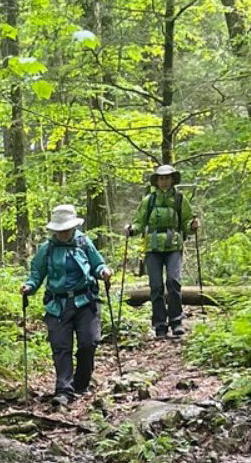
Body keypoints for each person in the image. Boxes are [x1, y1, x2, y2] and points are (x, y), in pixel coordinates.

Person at [22, 204, 112, 403]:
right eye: (59, 230)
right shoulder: (46, 249)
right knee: (61, 347)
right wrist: (29, 286)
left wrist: (103, 272)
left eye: (66, 229)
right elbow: (36, 274)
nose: (63, 233)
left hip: (86, 301)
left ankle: (81, 384)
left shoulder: (84, 243)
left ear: (73, 227)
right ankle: (64, 390)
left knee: (89, 343)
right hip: (58, 305)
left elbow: (97, 265)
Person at [126, 163, 200, 339]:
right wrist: (131, 230)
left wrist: (192, 226)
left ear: (172, 180)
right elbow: (139, 222)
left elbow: (187, 222)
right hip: (152, 248)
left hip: (174, 245)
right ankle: (160, 325)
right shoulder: (148, 200)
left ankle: (176, 322)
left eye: (167, 178)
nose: (164, 181)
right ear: (157, 181)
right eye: (161, 178)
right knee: (156, 285)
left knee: (174, 282)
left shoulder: (181, 200)